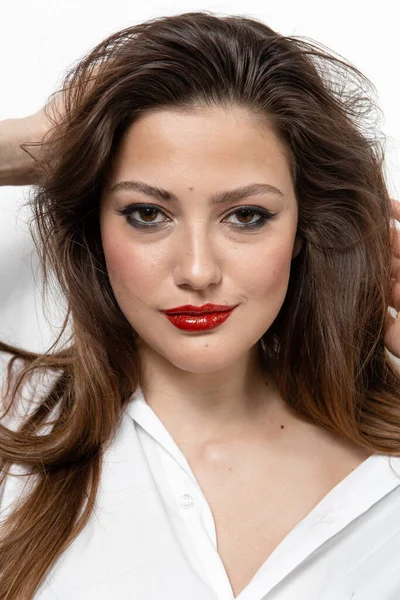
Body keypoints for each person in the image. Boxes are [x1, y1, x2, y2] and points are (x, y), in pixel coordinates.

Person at [1, 10, 400, 600]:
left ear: (303, 231)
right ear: (94, 227)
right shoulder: (15, 437)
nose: (196, 271)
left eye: (246, 216)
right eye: (147, 214)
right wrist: (18, 145)